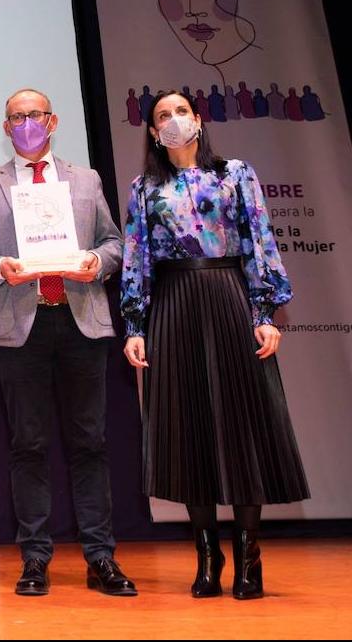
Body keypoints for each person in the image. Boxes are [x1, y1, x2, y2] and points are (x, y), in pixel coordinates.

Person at [121, 89, 309, 600]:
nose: (174, 121)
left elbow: (259, 240)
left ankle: (250, 554)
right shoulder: (143, 188)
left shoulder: (234, 173)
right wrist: (135, 325)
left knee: (244, 422)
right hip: (173, 303)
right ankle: (208, 555)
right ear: (153, 131)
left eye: (182, 111)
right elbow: (136, 257)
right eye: (164, 115)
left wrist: (264, 313)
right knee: (188, 429)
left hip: (229, 295)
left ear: (198, 120)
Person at [0, 88, 135, 597]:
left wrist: (97, 263)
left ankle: (101, 556)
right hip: (20, 326)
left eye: (34, 115)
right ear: (5, 126)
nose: (26, 122)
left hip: (80, 320)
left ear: (52, 121)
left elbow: (114, 242)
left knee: (90, 444)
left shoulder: (86, 179)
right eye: (16, 117)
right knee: (27, 445)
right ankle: (35, 558)